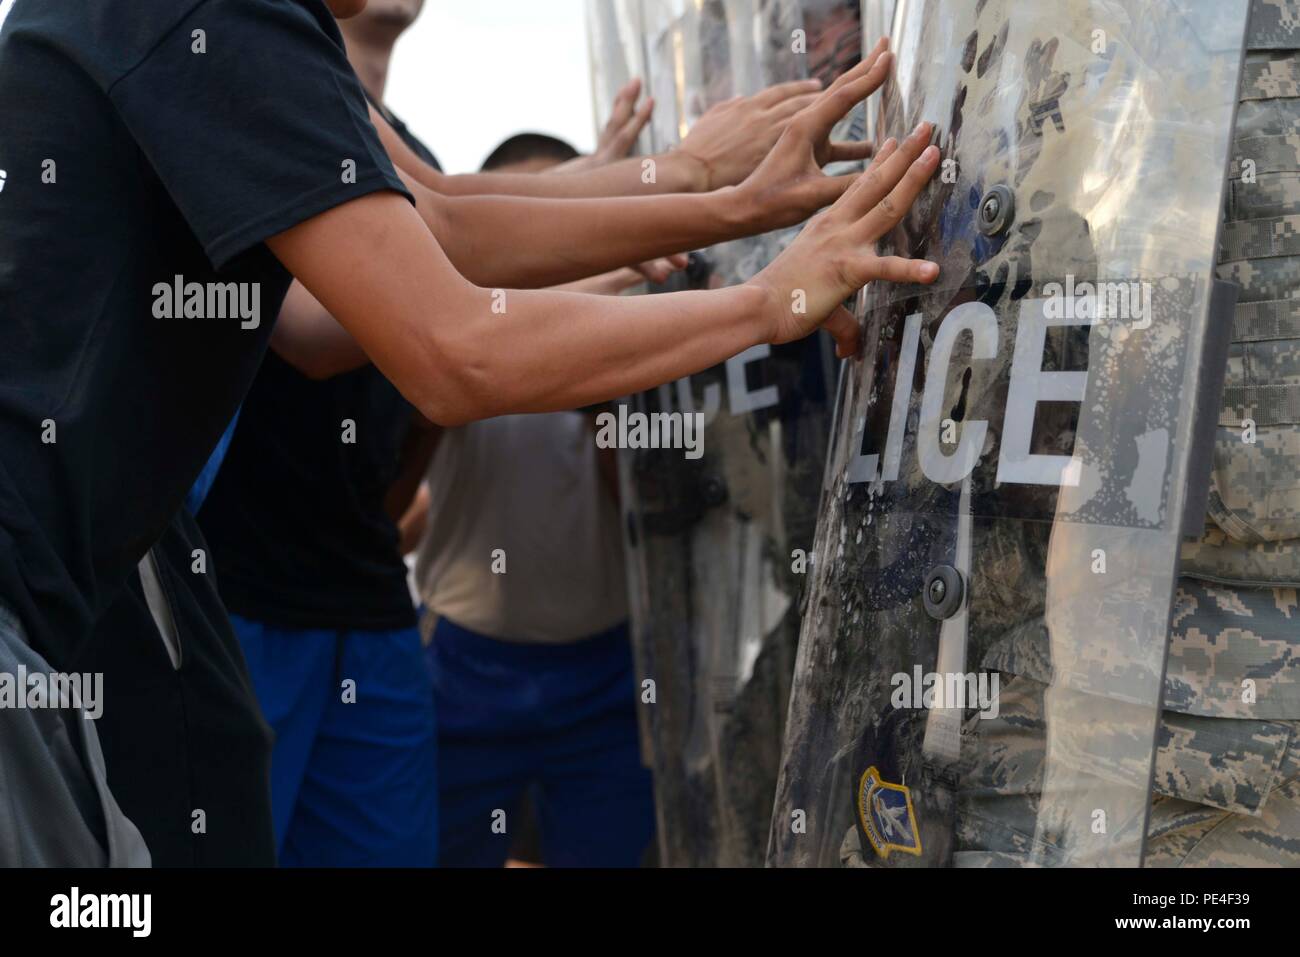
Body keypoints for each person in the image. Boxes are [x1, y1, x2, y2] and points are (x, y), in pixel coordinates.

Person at [0, 0, 938, 866]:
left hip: (86, 590)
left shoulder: (248, 24)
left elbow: (440, 215)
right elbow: (454, 351)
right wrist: (773, 297)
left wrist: (729, 202)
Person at [400, 133, 653, 868]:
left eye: (563, 239)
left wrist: (586, 377)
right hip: (461, 662)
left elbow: (641, 506)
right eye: (525, 232)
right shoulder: (456, 336)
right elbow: (390, 493)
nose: (548, 258)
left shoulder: (623, 332)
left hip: (607, 667)